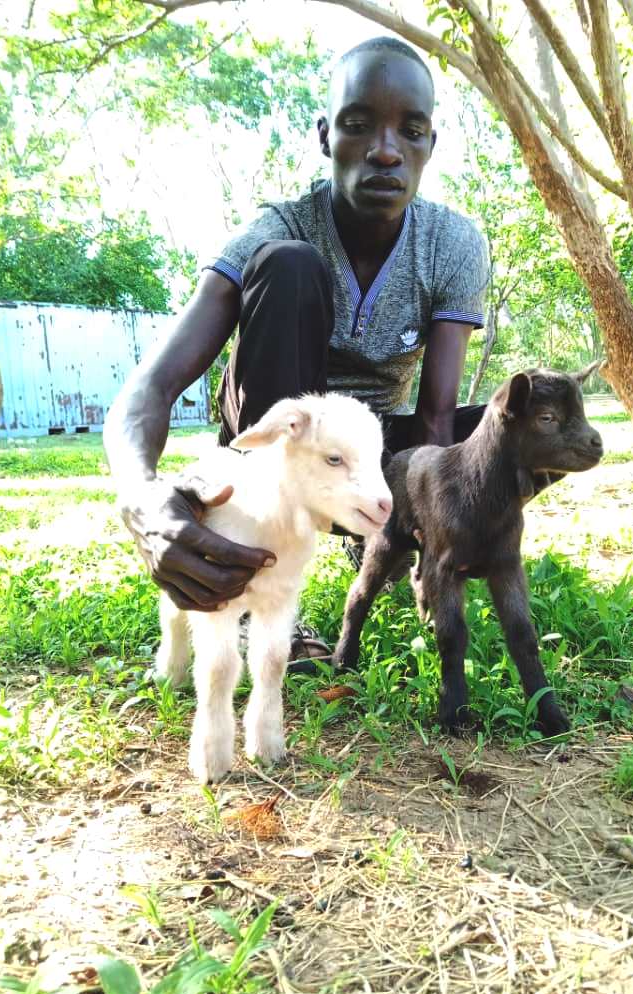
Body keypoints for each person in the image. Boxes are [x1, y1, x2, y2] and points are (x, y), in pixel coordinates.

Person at [103, 36, 489, 663]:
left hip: (373, 451)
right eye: (359, 125)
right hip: (280, 438)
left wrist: (436, 539)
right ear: (324, 136)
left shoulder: (451, 244)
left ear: (429, 146)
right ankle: (267, 599)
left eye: (410, 132)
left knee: (531, 423)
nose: (386, 150)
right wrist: (141, 499)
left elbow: (438, 419)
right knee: (289, 266)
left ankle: (393, 551)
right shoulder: (279, 227)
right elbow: (148, 388)